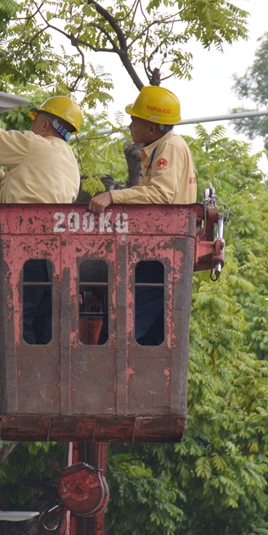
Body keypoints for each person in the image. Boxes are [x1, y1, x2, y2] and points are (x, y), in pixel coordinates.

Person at [0, 96, 83, 344]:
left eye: (35, 122)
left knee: (19, 320)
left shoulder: (34, 144)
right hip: (55, 251)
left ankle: (26, 377)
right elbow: (31, 192)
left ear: (44, 125)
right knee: (41, 321)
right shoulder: (69, 162)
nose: (31, 128)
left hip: (26, 247)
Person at [87, 86, 197, 345]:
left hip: (160, 252)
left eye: (135, 121)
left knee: (123, 327)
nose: (129, 126)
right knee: (153, 332)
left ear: (152, 129)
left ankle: (103, 366)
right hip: (161, 251)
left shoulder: (169, 147)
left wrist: (114, 196)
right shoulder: (161, 147)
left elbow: (161, 195)